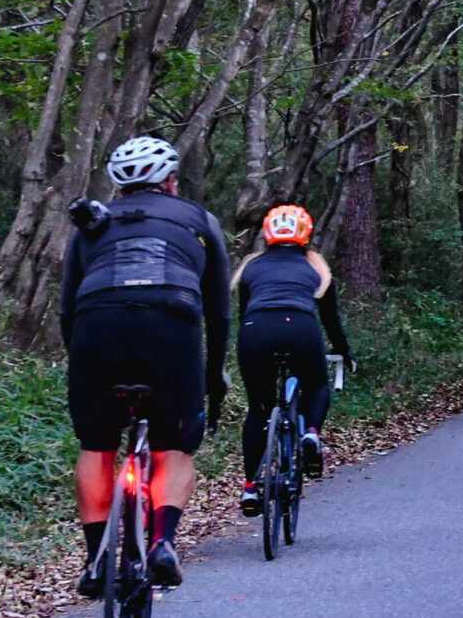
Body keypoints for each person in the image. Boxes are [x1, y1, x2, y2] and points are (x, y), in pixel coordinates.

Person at [61, 136, 232, 594]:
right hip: (171, 326)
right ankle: (162, 543)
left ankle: (96, 561)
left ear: (117, 188)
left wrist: (79, 364)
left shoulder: (90, 223)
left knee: (96, 446)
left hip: (96, 328)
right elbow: (219, 311)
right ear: (171, 182)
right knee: (173, 448)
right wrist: (214, 376)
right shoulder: (200, 219)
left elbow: (66, 308)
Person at [233, 204, 354, 516]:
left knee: (258, 409)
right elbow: (331, 319)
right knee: (316, 386)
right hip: (299, 326)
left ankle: (249, 487)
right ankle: (311, 433)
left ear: (268, 233)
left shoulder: (251, 266)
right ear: (305, 234)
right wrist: (344, 351)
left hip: (255, 330)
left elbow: (243, 311)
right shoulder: (315, 267)